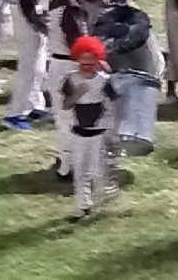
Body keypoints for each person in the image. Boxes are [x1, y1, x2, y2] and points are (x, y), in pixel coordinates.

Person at [3, 0, 63, 131]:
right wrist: (40, 25)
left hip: (29, 18)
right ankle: (15, 113)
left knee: (37, 65)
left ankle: (35, 104)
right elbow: (27, 3)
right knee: (31, 68)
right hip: (28, 20)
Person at [62, 36, 118, 223]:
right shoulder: (71, 79)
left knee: (99, 171)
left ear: (97, 62)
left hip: (100, 133)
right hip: (79, 132)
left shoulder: (104, 81)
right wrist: (76, 94)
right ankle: (83, 207)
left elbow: (117, 100)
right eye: (82, 64)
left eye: (90, 64)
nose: (86, 68)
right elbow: (66, 105)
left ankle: (105, 203)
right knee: (80, 171)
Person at [48, 0, 94, 181]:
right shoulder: (71, 8)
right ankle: (68, 167)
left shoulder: (59, 2)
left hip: (59, 64)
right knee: (71, 119)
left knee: (65, 118)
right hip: (68, 66)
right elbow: (78, 42)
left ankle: (66, 165)